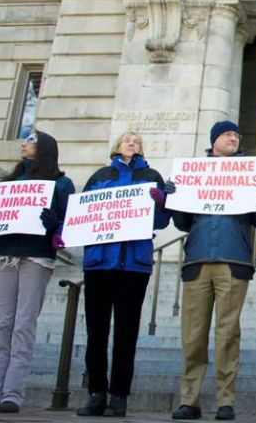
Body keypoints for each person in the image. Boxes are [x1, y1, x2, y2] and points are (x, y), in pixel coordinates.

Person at [0, 131, 75, 414]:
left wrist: (56, 226)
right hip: (4, 255)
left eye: (30, 141)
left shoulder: (61, 184)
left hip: (36, 258)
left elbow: (70, 223)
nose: (23, 144)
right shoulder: (9, 182)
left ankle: (12, 395)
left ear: (45, 149)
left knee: (23, 325)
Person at [168, 121, 256, 421]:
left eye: (237, 135)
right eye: (227, 134)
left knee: (227, 335)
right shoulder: (195, 174)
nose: (233, 138)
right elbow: (183, 223)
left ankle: (226, 401)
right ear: (214, 142)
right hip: (197, 260)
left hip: (234, 262)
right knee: (193, 336)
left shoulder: (249, 175)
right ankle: (190, 400)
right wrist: (174, 198)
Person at [75, 132, 172, 417]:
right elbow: (83, 215)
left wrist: (160, 202)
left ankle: (118, 396)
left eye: (137, 141)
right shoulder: (100, 175)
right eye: (127, 139)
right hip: (99, 263)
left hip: (132, 265)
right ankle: (96, 393)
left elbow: (162, 221)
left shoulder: (152, 175)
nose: (132, 143)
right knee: (96, 333)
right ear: (116, 146)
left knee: (126, 335)